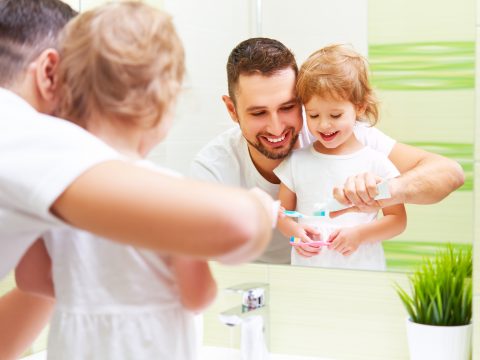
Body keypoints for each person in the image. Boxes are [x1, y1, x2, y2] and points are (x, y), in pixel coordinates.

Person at [0, 0, 274, 357]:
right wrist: (259, 208)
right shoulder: (24, 134)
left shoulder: (49, 192)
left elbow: (34, 281)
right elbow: (205, 282)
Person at [190, 37, 464, 264]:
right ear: (231, 110)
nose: (276, 127)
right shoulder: (213, 169)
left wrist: (383, 191)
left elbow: (450, 173)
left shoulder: (346, 138)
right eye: (259, 112)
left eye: (288, 107)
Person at [275, 44, 407, 270]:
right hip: (309, 273)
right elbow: (281, 214)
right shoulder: (296, 162)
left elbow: (397, 220)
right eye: (313, 115)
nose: (324, 125)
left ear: (359, 107)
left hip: (362, 271)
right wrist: (295, 234)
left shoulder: (376, 163)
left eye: (335, 115)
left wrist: (359, 235)